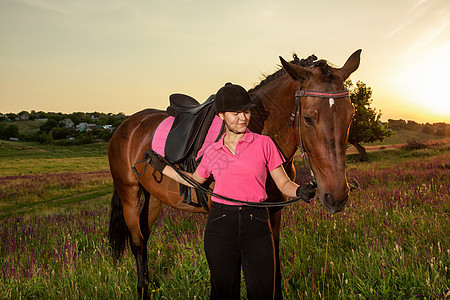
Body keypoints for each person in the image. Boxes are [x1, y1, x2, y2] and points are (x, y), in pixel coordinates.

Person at [147, 83, 316, 300]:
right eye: (236, 113)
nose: (243, 118)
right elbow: (194, 181)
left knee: (264, 293)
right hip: (220, 226)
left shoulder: (264, 144)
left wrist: (300, 190)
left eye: (246, 111)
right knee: (223, 294)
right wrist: (163, 167)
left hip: (256, 226)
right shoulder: (213, 151)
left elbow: (284, 184)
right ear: (221, 116)